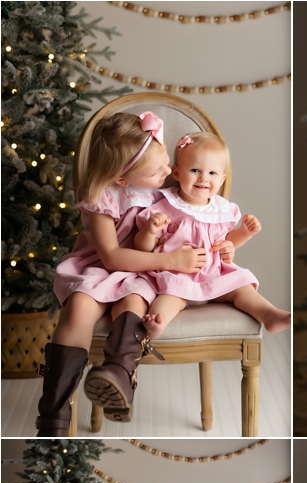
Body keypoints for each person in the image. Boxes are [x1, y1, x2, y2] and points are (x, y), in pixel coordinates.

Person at [41, 111, 206, 434]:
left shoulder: (170, 187)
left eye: (166, 162)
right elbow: (112, 257)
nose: (167, 172)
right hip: (103, 266)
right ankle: (53, 416)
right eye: (156, 171)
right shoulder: (102, 194)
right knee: (79, 308)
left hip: (145, 272)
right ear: (121, 179)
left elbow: (204, 216)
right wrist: (172, 261)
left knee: (132, 304)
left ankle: (117, 375)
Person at [132, 132, 290, 339]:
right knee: (169, 298)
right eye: (195, 170)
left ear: (222, 179)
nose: (204, 178)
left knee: (242, 288)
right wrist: (149, 231)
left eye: (213, 173)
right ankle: (157, 322)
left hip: (215, 274)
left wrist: (244, 233)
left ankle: (269, 314)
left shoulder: (222, 210)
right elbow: (142, 248)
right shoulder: (166, 207)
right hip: (177, 275)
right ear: (177, 173)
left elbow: (225, 242)